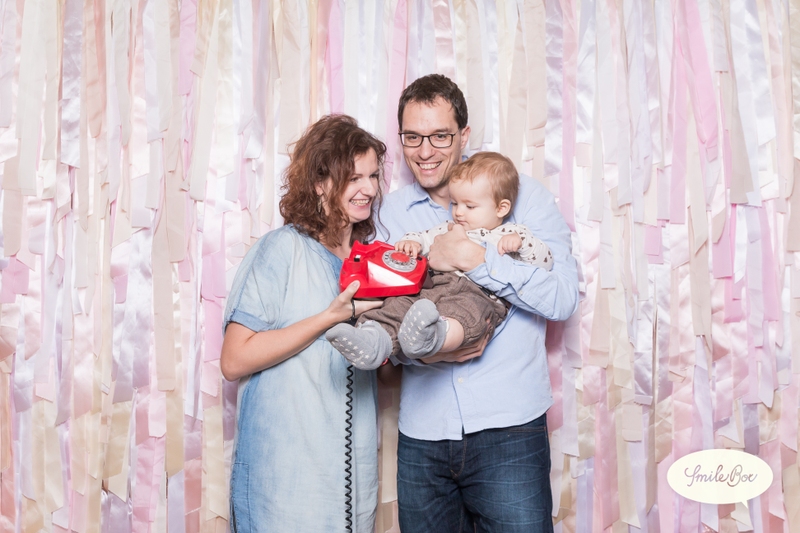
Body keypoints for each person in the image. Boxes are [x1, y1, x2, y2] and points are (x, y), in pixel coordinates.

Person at [378, 74, 580, 532]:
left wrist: (478, 261)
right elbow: (386, 313)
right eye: (412, 137)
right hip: (423, 435)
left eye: (440, 136)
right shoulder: (392, 214)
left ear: (464, 134)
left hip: (510, 430)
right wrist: (424, 352)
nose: (424, 151)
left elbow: (563, 298)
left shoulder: (522, 196)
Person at [220, 114, 386, 533]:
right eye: (354, 177)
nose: (369, 189)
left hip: (350, 487)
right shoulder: (281, 249)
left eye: (373, 176)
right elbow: (234, 360)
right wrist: (328, 318)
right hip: (284, 486)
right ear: (319, 183)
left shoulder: (369, 262)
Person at [326, 152, 554, 370]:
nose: (459, 212)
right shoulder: (449, 228)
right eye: (455, 204)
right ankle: (374, 341)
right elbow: (424, 237)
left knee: (465, 315)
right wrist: (412, 242)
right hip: (435, 287)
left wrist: (522, 244)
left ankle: (431, 337)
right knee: (400, 303)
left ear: (501, 208)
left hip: (480, 295)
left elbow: (546, 262)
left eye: (470, 206)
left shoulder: (512, 233)